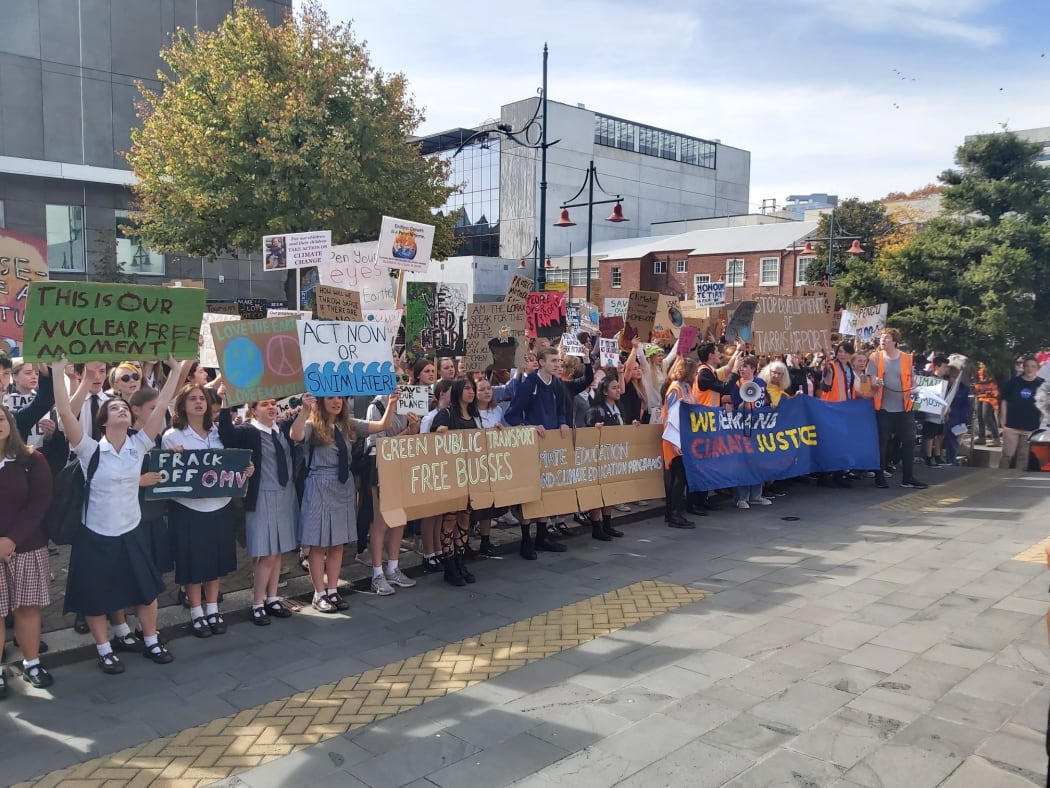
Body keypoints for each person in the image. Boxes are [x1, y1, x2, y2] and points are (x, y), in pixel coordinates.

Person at [54, 356, 190, 674]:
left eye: (125, 408)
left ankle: (152, 640)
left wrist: (175, 369)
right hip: (95, 533)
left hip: (131, 530)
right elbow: (65, 413)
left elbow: (162, 404)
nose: (121, 410)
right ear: (103, 421)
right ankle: (104, 650)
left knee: (147, 590)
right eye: (114, 407)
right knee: (95, 595)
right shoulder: (88, 449)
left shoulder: (139, 445)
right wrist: (59, 372)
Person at [290, 393, 398, 608]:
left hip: (343, 486)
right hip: (319, 483)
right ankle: (319, 594)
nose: (337, 401)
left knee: (337, 543)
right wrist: (304, 411)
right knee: (318, 544)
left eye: (340, 397)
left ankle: (332, 591)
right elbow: (295, 434)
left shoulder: (348, 424)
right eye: (330, 397)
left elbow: (382, 425)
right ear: (321, 401)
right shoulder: (312, 425)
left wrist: (392, 403)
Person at [163, 383, 249, 638]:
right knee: (193, 564)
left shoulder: (219, 433)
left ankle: (213, 609)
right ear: (182, 405)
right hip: (188, 508)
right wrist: (173, 458)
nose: (199, 402)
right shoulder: (172, 436)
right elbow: (167, 474)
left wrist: (246, 470)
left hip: (219, 506)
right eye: (193, 399)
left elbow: (233, 463)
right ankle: (196, 612)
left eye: (202, 398)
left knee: (215, 561)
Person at [216, 396, 298, 626]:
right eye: (264, 404)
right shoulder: (248, 431)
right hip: (263, 495)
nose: (271, 407)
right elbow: (226, 435)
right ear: (253, 411)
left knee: (278, 551)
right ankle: (257, 604)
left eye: (273, 403)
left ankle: (272, 598)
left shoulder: (282, 427)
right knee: (267, 553)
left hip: (285, 494)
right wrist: (225, 404)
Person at [0, 403, 54, 693]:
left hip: (27, 546)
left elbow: (39, 503)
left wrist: (11, 540)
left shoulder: (32, 459)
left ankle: (32, 663)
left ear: (10, 423)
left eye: (1, 418)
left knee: (27, 608)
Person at [504, 348, 573, 558]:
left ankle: (543, 536)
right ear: (541, 362)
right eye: (553, 361)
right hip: (531, 447)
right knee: (529, 494)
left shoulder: (557, 384)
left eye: (558, 361)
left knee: (547, 490)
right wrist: (530, 427)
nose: (557, 364)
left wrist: (563, 422)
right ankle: (526, 539)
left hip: (551, 446)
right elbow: (512, 415)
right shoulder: (530, 384)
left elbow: (561, 410)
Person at [364, 389, 418, 595]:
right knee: (381, 521)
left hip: (403, 466)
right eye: (396, 380)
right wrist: (405, 433)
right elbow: (377, 444)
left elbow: (414, 437)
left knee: (399, 519)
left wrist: (414, 426)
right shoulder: (376, 407)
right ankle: (377, 574)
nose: (400, 386)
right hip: (381, 468)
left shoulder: (408, 403)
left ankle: (393, 568)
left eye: (403, 380)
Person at [432, 378, 484, 585]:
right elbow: (432, 441)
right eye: (467, 388)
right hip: (452, 475)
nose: (471, 392)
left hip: (470, 474)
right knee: (450, 519)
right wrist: (440, 432)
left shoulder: (475, 416)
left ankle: (460, 561)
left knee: (465, 518)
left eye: (473, 389)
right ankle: (449, 565)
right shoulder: (445, 414)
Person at [867, 329, 927, 490]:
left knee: (909, 443)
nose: (882, 340)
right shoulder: (875, 357)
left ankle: (908, 478)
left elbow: (911, 380)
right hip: (883, 408)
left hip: (904, 408)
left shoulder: (906, 358)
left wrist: (918, 391)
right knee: (882, 443)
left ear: (894, 341)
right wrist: (875, 384)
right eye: (881, 338)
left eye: (886, 338)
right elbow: (869, 383)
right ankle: (879, 476)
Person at [584, 375, 630, 540]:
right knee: (597, 492)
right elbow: (587, 431)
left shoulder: (619, 408)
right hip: (598, 457)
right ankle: (596, 527)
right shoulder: (596, 410)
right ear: (604, 391)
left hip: (615, 455)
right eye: (614, 388)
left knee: (610, 490)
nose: (618, 390)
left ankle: (608, 525)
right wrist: (594, 427)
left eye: (618, 387)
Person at [730, 356, 772, 508]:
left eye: (745, 366)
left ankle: (756, 495)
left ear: (753, 368)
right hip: (743, 428)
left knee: (758, 462)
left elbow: (766, 401)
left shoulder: (760, 383)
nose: (741, 369)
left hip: (759, 428)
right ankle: (742, 497)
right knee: (743, 463)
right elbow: (736, 407)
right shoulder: (737, 384)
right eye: (741, 367)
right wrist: (745, 402)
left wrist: (771, 404)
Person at [662, 357, 699, 529]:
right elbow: (671, 415)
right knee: (678, 477)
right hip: (674, 437)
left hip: (682, 436)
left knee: (680, 476)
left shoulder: (685, 387)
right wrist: (674, 442)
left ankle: (672, 511)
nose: (696, 375)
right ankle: (674, 513)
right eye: (694, 372)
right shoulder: (675, 389)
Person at [999, 357, 1045, 470]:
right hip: (1012, 425)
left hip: (1030, 427)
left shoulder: (1042, 384)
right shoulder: (1013, 383)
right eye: (1027, 366)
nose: (1030, 369)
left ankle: (1018, 478)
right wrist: (1003, 420)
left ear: (1037, 368)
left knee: (1023, 456)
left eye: (1033, 366)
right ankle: (999, 476)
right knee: (1007, 455)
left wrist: (1040, 421)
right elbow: (1004, 401)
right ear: (1023, 367)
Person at [973, 364, 1001, 447]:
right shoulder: (977, 368)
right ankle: (981, 436)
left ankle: (996, 438)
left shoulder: (991, 367)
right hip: (980, 393)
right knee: (979, 415)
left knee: (986, 416)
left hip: (990, 395)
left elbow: (992, 379)